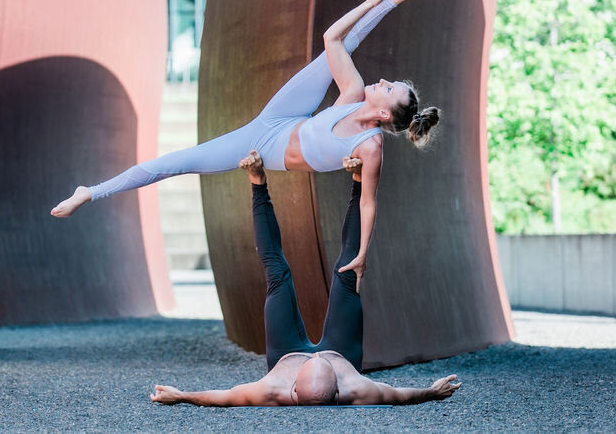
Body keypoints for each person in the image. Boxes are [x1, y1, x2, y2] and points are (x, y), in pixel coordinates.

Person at [53, 0, 442, 285]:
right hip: (287, 116)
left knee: (179, 162)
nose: (383, 80)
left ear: (385, 115)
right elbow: (334, 38)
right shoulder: (356, 96)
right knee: (336, 50)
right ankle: (90, 191)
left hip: (263, 144)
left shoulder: (370, 146)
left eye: (389, 89)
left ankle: (89, 193)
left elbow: (368, 203)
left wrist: (362, 254)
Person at [149, 152, 461, 407]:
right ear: (339, 391)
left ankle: (257, 180)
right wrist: (430, 392)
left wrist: (183, 396)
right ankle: (357, 180)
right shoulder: (359, 389)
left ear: (293, 392)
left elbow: (227, 396)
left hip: (286, 352)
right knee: (347, 273)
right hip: (342, 352)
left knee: (276, 273)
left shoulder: (273, 389)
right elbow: (400, 394)